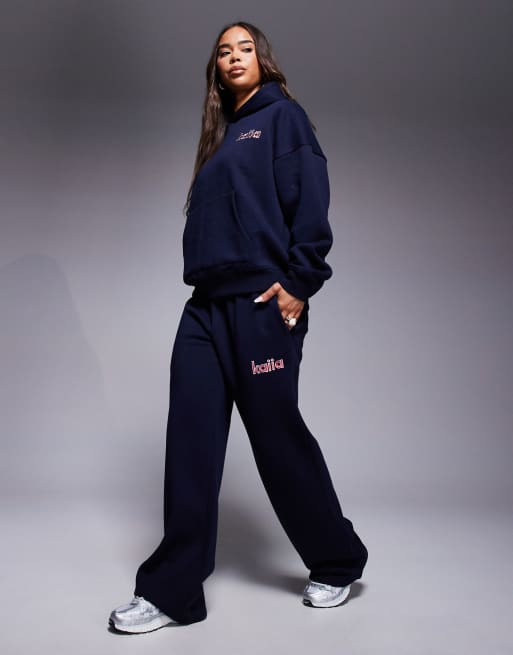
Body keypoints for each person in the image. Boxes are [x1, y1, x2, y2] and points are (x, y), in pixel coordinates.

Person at [109, 20, 368, 634]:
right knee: (190, 445)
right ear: (216, 72)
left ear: (263, 59)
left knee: (277, 440)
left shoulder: (283, 119)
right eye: (223, 52)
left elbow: (310, 201)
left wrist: (301, 282)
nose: (234, 57)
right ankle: (172, 592)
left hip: (261, 305)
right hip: (204, 308)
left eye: (244, 48)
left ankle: (337, 560)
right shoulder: (222, 139)